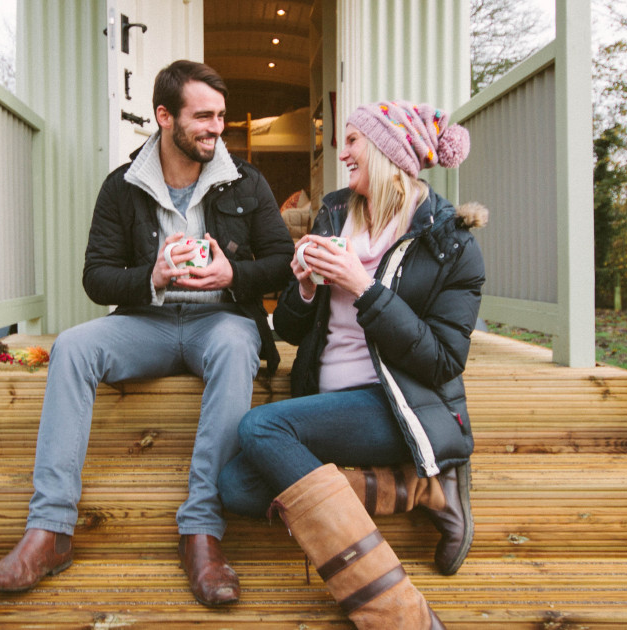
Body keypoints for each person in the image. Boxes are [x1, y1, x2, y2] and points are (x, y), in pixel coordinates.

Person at [0, 60, 295, 607]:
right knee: (73, 346)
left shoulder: (247, 181)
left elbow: (282, 260)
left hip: (217, 322)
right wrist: (151, 277)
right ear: (164, 116)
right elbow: (96, 277)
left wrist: (232, 275)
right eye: (203, 116)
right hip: (145, 322)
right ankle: (48, 532)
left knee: (239, 344)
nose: (216, 128)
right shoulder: (122, 186)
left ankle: (201, 534)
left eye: (220, 116)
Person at [218, 101, 487, 628]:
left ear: (389, 152)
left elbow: (442, 360)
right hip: (327, 403)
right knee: (236, 486)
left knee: (259, 426)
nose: (342, 153)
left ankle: (398, 614)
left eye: (354, 141)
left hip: (398, 406)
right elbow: (293, 331)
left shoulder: (450, 243)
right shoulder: (336, 213)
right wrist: (303, 286)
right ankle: (423, 489)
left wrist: (362, 286)